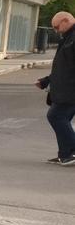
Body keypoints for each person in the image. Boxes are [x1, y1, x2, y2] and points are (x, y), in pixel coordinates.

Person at [37, 11, 75, 166]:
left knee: (56, 116)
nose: (56, 31)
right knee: (60, 118)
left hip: (71, 90)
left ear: (66, 21)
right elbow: (63, 67)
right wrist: (46, 81)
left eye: (57, 27)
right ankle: (65, 155)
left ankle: (71, 151)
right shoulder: (68, 38)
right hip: (66, 90)